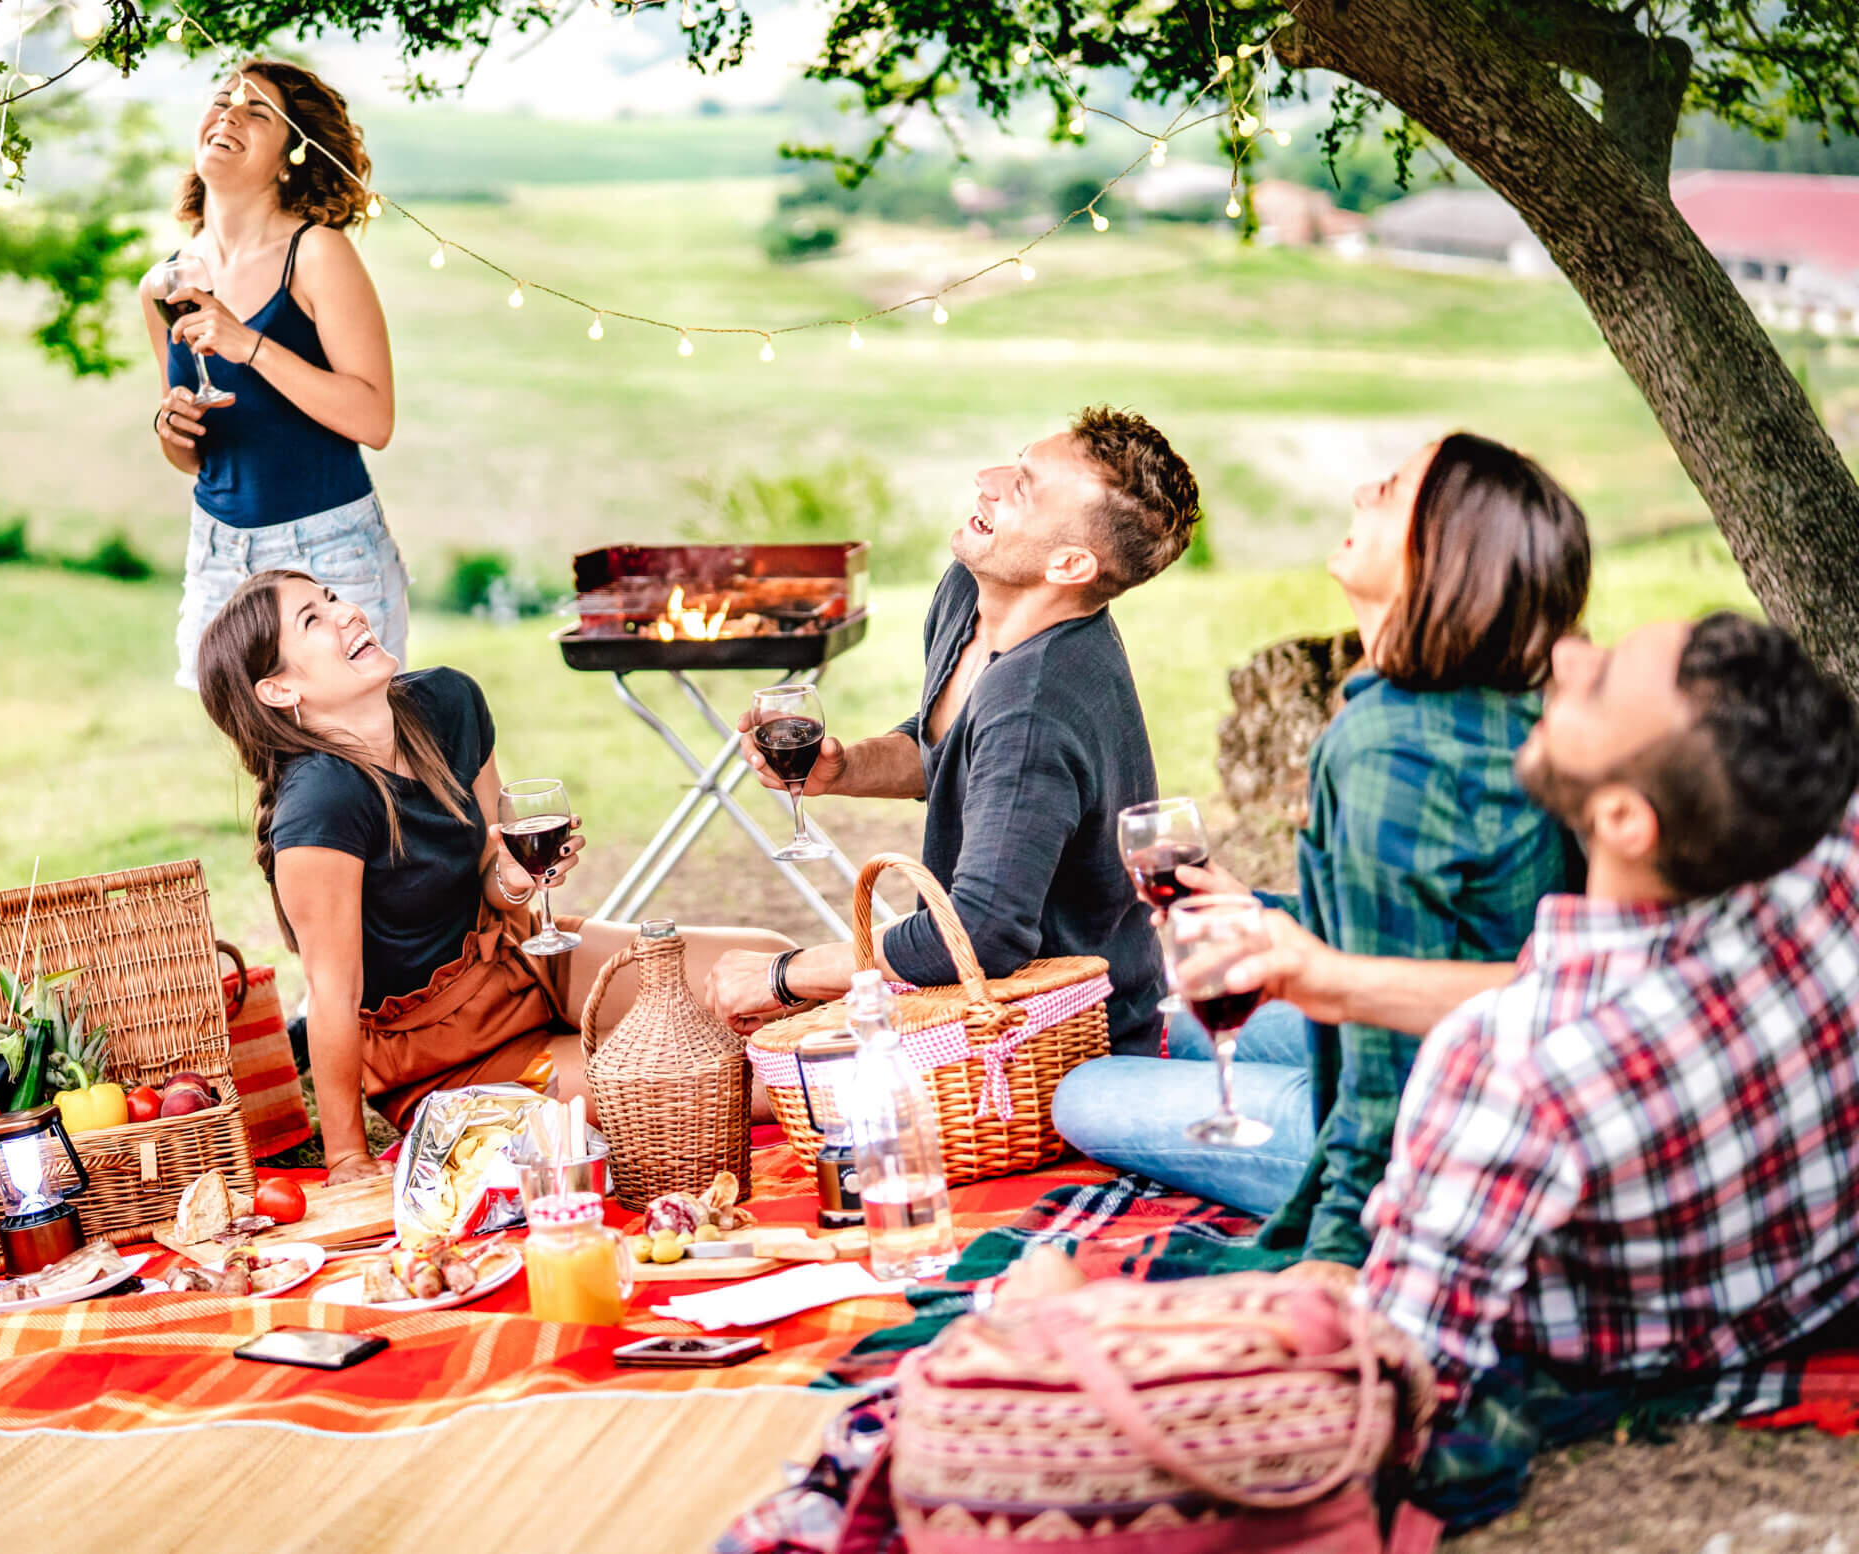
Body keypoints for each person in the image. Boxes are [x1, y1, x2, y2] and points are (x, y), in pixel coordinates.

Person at [1228, 614, 1859, 1518]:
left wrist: (1056, 1318)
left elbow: (1386, 1391)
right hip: (1781, 1294)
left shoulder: (1510, 1070)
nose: (1566, 652)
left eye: (1597, 682)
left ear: (1622, 819)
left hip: (1608, 1340)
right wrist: (1324, 983)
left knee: (1095, 1100)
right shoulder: (1831, 863)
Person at [1050, 433, 1589, 1263]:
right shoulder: (1512, 702)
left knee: (1085, 1087)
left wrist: (1341, 1239)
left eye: (1397, 489)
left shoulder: (1392, 745)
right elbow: (1419, 934)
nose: (1365, 489)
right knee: (1156, 1027)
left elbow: (1380, 1051)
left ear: (1443, 552)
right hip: (1510, 1065)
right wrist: (1256, 909)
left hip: (1435, 1128)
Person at [199, 571, 793, 1184]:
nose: (347, 612)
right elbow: (331, 995)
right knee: (730, 1075)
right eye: (312, 620)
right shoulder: (319, 804)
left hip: (523, 961)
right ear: (278, 689)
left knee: (771, 972)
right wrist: (347, 1156)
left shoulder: (448, 703)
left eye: (331, 598)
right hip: (446, 1054)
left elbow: (489, 867)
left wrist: (512, 876)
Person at [702, 407, 1201, 1056]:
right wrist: (845, 768)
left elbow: (981, 931)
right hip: (971, 1002)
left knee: (720, 1054)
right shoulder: (973, 592)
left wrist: (784, 977)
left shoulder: (1035, 704)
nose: (985, 479)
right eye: (1013, 460)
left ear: (1071, 565)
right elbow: (955, 747)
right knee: (687, 990)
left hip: (1049, 1040)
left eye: (1021, 486)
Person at [145, 60, 408, 689]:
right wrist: (171, 429)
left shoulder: (317, 251)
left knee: (361, 763)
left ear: (292, 153)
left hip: (330, 557)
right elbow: (194, 454)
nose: (229, 114)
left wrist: (248, 343)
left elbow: (374, 420)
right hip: (216, 555)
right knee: (263, 772)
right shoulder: (163, 283)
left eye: (257, 111)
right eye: (222, 101)